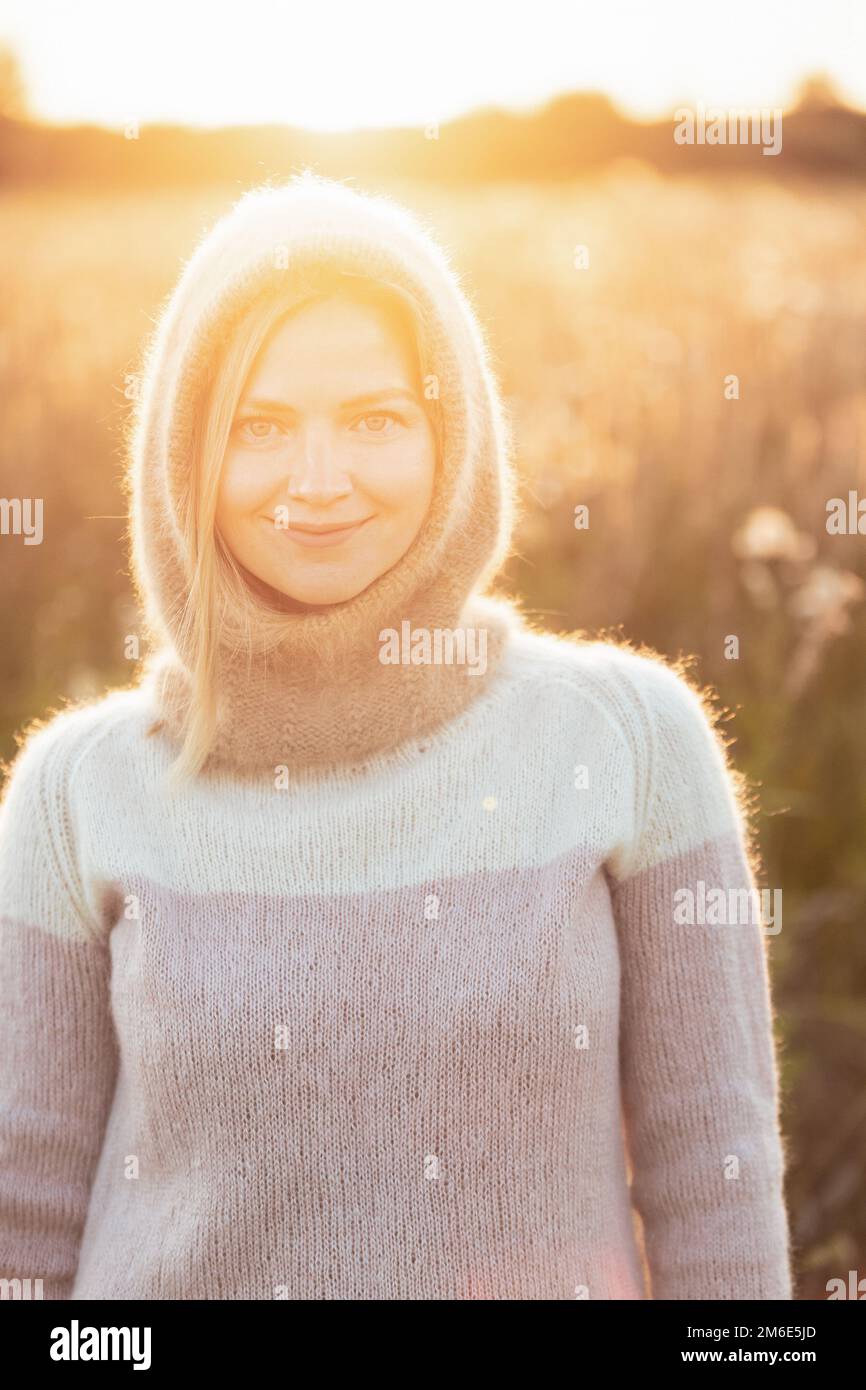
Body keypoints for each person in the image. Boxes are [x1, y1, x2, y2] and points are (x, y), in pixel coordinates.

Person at [0, 171, 792, 1300]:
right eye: (257, 426)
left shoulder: (626, 737)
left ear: (450, 436)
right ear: (185, 458)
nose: (316, 484)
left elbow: (712, 1181)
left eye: (376, 419)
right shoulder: (73, 791)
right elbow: (21, 1216)